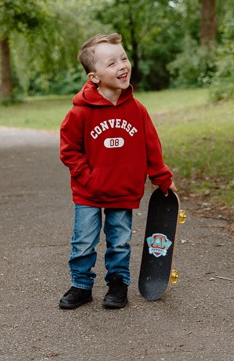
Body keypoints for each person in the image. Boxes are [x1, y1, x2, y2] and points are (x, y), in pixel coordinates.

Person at [59, 33, 177, 310]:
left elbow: (151, 148)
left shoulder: (137, 110)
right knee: (83, 243)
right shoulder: (80, 113)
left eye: (123, 58)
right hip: (88, 192)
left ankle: (117, 285)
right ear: (94, 77)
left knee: (120, 243)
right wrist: (87, 177)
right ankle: (81, 286)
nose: (122, 66)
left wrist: (162, 178)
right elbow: (69, 150)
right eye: (111, 63)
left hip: (123, 191)